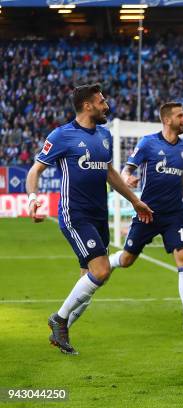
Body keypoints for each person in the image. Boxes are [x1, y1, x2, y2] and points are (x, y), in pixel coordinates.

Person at [25, 83, 153, 355]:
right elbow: (35, 171)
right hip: (75, 214)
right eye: (102, 101)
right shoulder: (62, 136)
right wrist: (33, 199)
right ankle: (59, 319)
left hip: (99, 216)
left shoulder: (104, 136)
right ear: (87, 105)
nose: (106, 105)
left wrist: (135, 199)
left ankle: (61, 332)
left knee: (92, 281)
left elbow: (110, 173)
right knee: (102, 270)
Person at [107, 102, 183, 331]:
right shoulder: (148, 143)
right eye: (180, 116)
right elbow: (127, 169)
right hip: (147, 213)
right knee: (127, 260)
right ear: (167, 120)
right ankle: (113, 260)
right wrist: (127, 179)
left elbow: (182, 179)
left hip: (175, 214)